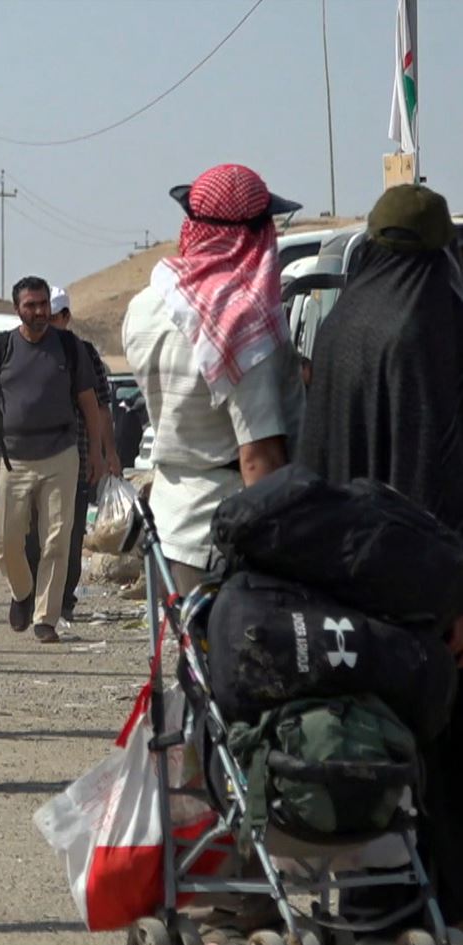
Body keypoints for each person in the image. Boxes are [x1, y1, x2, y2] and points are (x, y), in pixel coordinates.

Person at [296, 183, 463, 927]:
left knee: (364, 748)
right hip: (419, 595)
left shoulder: (342, 323)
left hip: (344, 586)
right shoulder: (436, 321)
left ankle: (369, 908)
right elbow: (444, 472)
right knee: (437, 757)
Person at [122, 163, 305, 595]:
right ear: (252, 234)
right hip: (227, 539)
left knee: (184, 641)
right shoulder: (243, 325)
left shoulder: (147, 304)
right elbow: (259, 459)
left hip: (169, 528)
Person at [0, 276, 106, 644]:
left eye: (43, 304)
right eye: (30, 305)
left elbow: (89, 403)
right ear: (17, 309)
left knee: (57, 540)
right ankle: (22, 592)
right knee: (5, 541)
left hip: (60, 455)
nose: (39, 311)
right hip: (10, 459)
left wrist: (97, 452)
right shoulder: (1, 348)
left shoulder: (69, 347)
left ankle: (46, 617)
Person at [22, 286, 118, 623]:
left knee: (69, 534)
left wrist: (106, 453)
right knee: (31, 535)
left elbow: (101, 407)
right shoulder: (26, 349)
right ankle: (33, 595)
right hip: (31, 459)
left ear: (66, 317)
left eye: (53, 317)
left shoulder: (83, 354)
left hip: (74, 459)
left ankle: (62, 601)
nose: (46, 322)